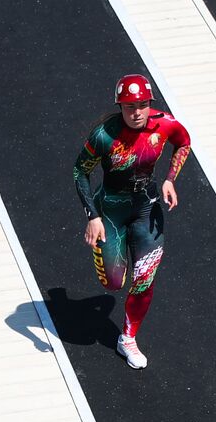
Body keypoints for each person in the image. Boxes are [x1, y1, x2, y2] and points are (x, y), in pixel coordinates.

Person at [72, 74, 191, 369]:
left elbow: (184, 142)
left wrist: (170, 179)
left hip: (147, 209)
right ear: (120, 107)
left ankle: (127, 338)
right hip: (110, 210)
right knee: (113, 283)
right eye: (128, 106)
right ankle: (104, 250)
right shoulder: (104, 135)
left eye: (141, 105)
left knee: (144, 278)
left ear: (149, 103)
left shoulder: (165, 124)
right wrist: (93, 216)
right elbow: (79, 172)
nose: (136, 112)